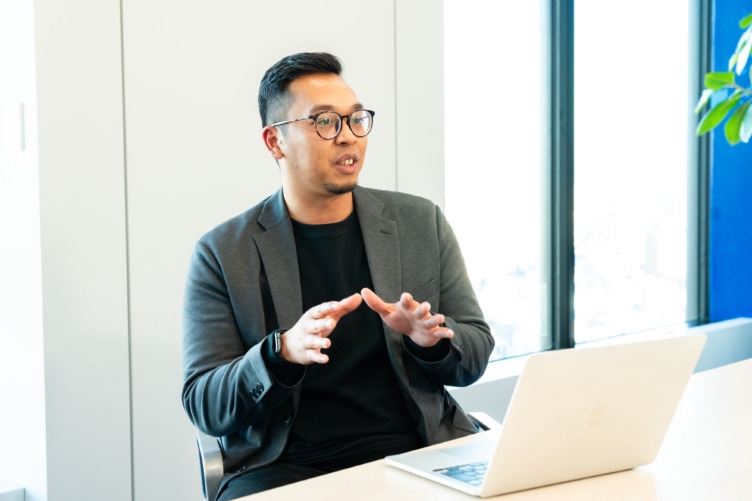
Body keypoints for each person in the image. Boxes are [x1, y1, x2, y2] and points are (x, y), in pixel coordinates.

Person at [181, 52, 494, 501]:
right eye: (325, 122)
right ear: (275, 141)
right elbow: (205, 405)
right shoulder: (223, 253)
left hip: (416, 451)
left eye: (356, 119)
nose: (347, 136)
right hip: (287, 469)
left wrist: (433, 342)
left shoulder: (419, 222)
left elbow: (475, 352)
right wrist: (281, 353)